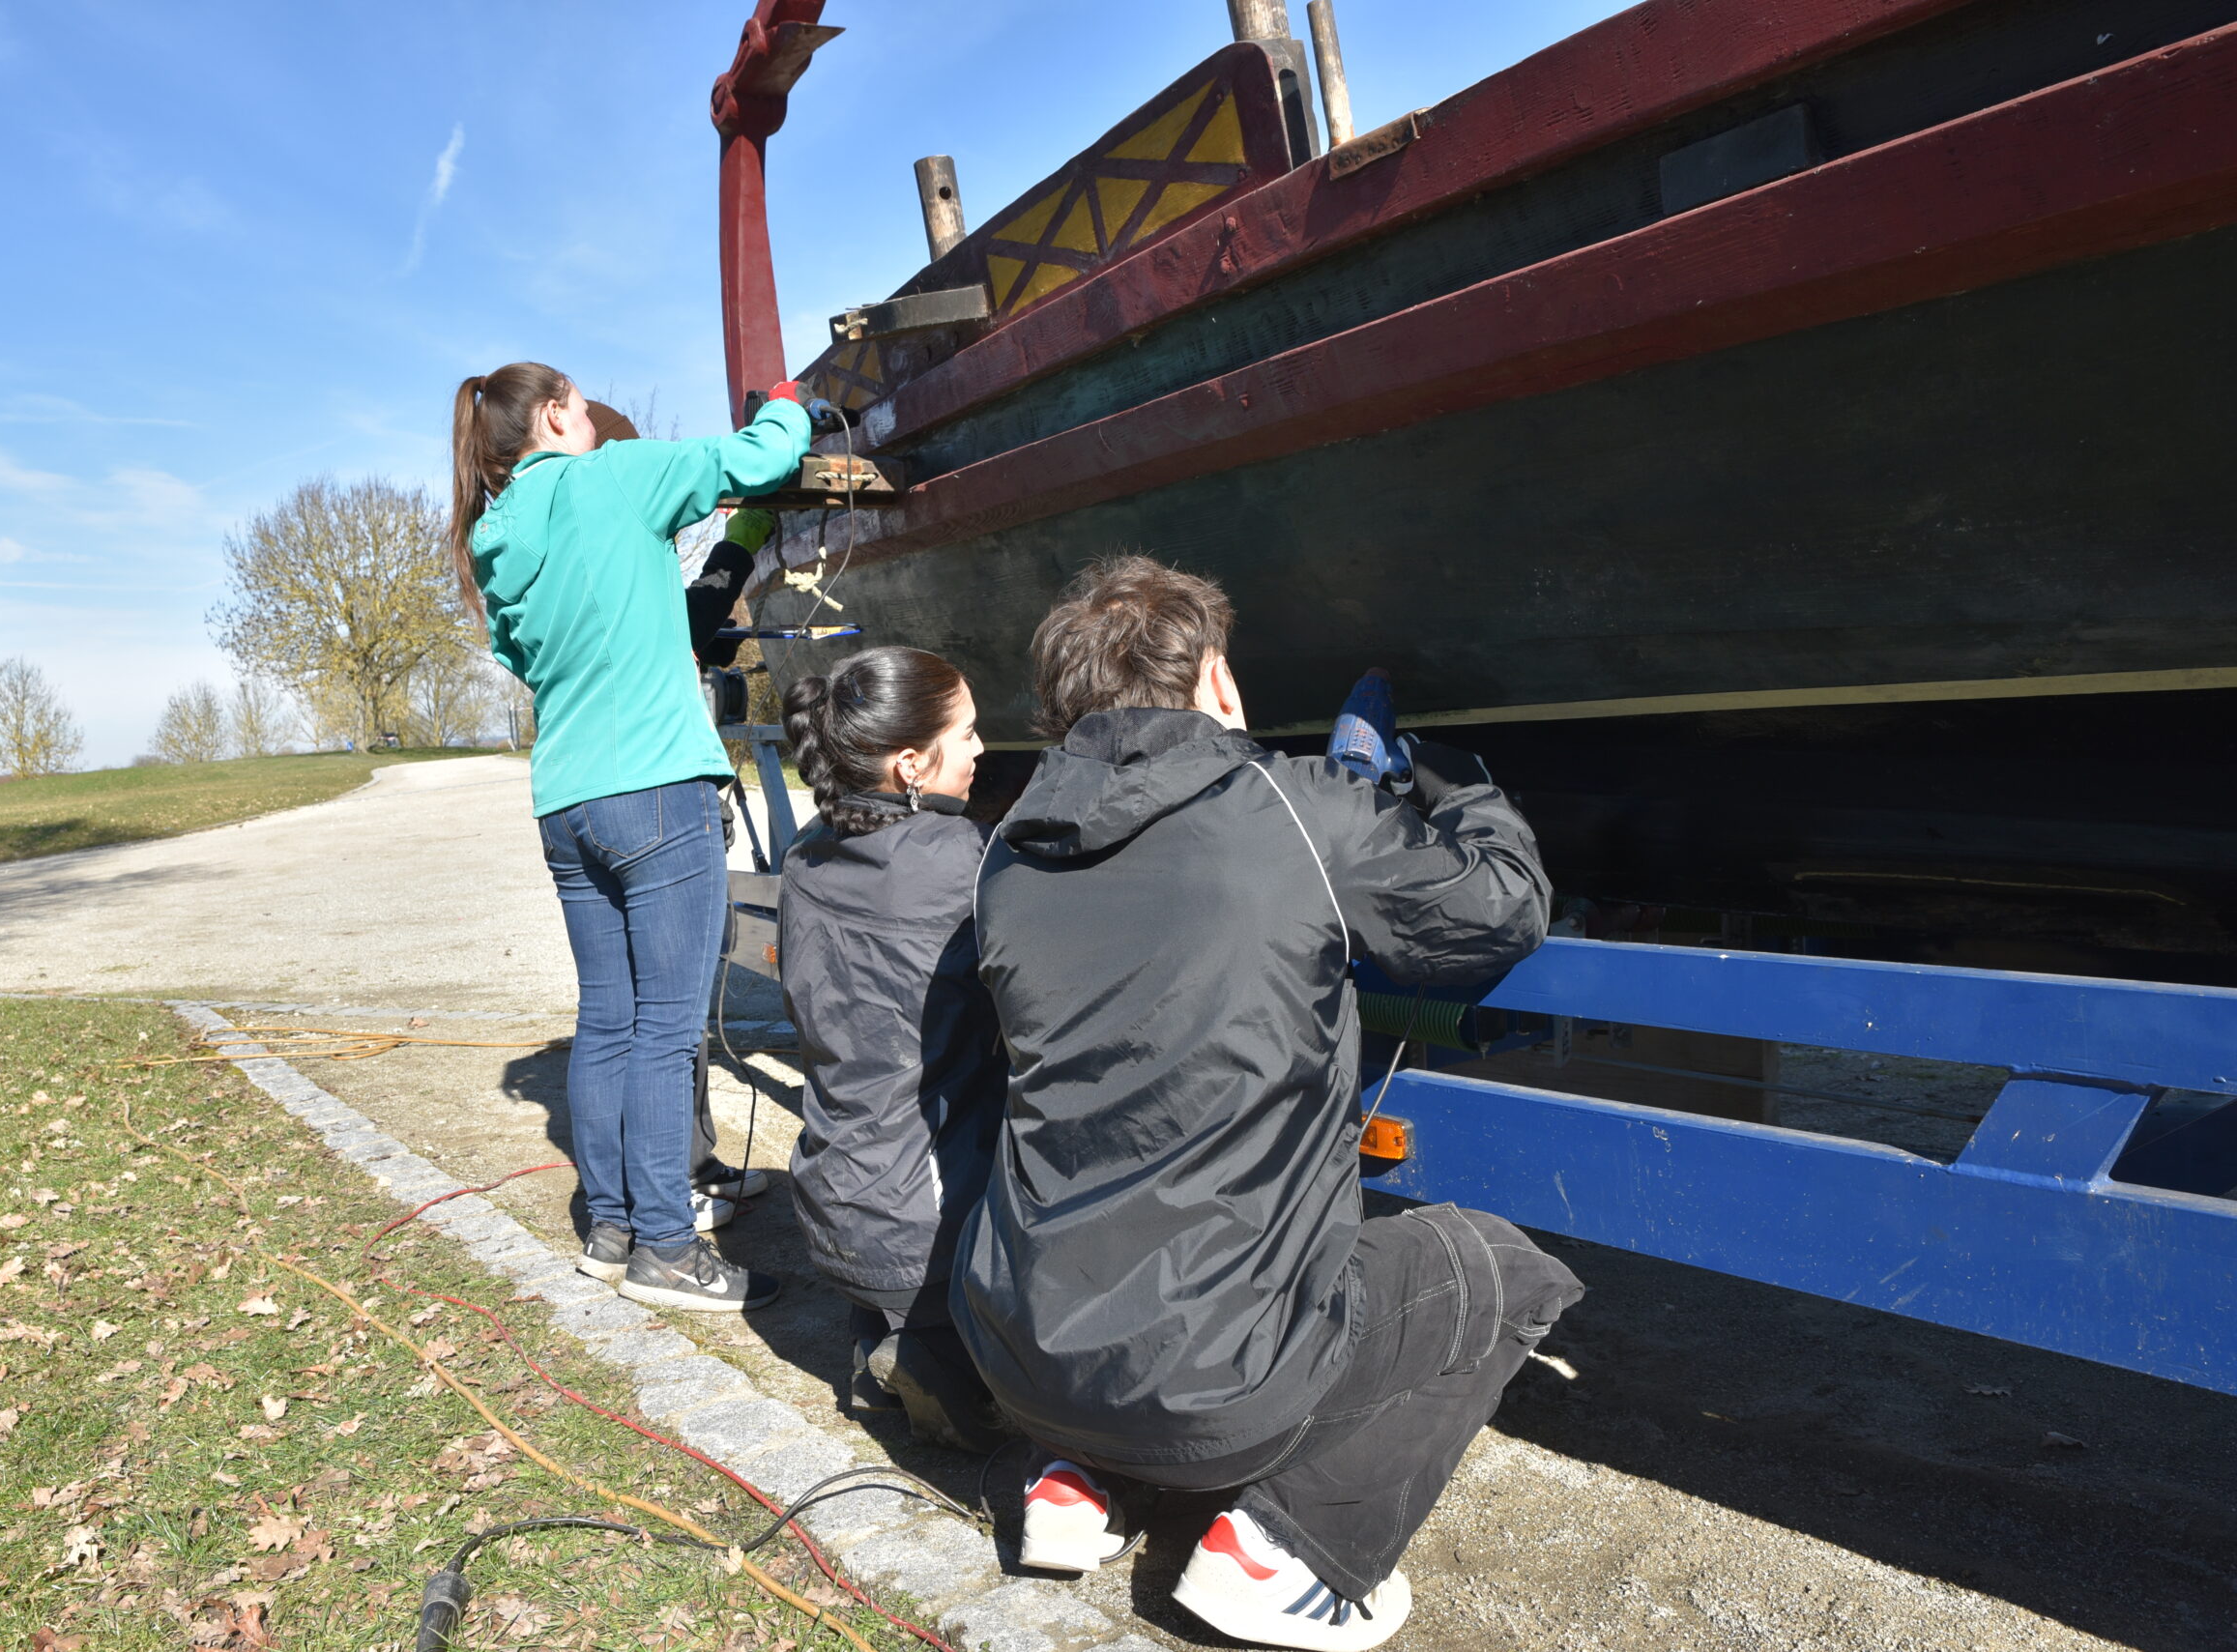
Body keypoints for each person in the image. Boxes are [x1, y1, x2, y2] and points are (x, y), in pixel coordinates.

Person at [955, 556, 1584, 1652]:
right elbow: (1500, 908)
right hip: (1208, 1382)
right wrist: (1454, 780)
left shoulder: (1005, 849)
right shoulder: (1295, 811)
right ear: (1214, 680)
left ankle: (1073, 1479)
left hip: (1017, 1349)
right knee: (1496, 1270)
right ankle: (1286, 1551)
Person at [450, 362, 810, 1314]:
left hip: (565, 801)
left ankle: (611, 1227)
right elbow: (760, 457)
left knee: (608, 1019)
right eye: (580, 409)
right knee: (666, 1028)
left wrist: (717, 552)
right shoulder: (612, 474)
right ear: (561, 411)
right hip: (654, 786)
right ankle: (665, 1247)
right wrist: (787, 403)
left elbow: (543, 652)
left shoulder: (494, 536)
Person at [776, 647, 1011, 1452]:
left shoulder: (805, 855)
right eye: (969, 733)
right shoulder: (963, 862)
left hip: (832, 1194)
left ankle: (879, 1339)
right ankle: (931, 1350)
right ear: (911, 762)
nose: (983, 748)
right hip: (928, 1221)